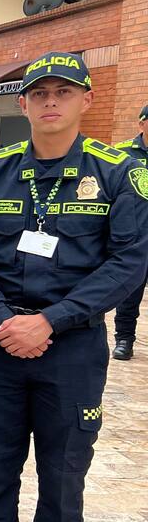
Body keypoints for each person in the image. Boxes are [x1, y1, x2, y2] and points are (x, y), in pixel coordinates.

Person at [0, 52, 148, 522]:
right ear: (24, 104)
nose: (51, 102)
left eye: (65, 91)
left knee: (64, 472)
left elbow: (129, 264)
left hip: (71, 346)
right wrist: (4, 321)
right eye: (40, 93)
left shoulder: (118, 174)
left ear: (86, 100)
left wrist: (51, 322)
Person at [112, 105, 148, 360]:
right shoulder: (123, 154)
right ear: (142, 124)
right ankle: (124, 338)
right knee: (130, 292)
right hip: (136, 237)